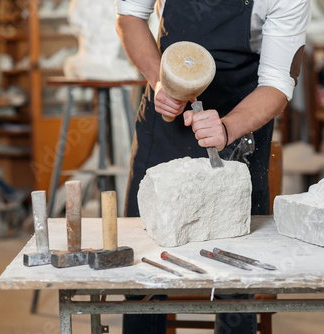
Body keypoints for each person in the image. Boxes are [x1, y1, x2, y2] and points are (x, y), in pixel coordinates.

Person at [115, 0, 310, 333]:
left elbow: (278, 83)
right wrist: (162, 82)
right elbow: (130, 16)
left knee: (237, 256)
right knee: (146, 262)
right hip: (166, 119)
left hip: (243, 112)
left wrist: (228, 127)